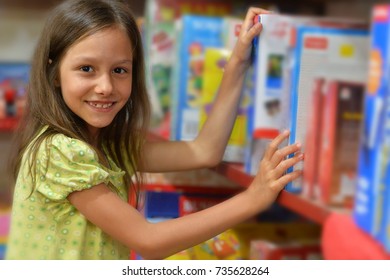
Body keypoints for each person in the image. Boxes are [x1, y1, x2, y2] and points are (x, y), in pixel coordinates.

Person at [6, 0, 303, 260]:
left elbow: (204, 151)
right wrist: (254, 197)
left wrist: (238, 60)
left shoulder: (108, 144)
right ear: (53, 73)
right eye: (87, 69)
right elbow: (149, 241)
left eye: (120, 70)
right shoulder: (60, 150)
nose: (106, 87)